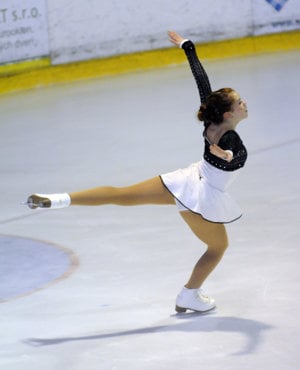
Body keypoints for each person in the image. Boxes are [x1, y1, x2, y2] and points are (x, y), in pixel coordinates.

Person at [25, 31, 248, 313]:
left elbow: (202, 82)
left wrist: (187, 48)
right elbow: (236, 153)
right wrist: (228, 156)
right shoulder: (230, 138)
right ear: (228, 114)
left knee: (123, 194)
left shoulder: (212, 119)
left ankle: (59, 199)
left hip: (185, 180)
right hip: (203, 197)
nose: (244, 103)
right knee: (218, 248)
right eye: (240, 102)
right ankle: (189, 294)